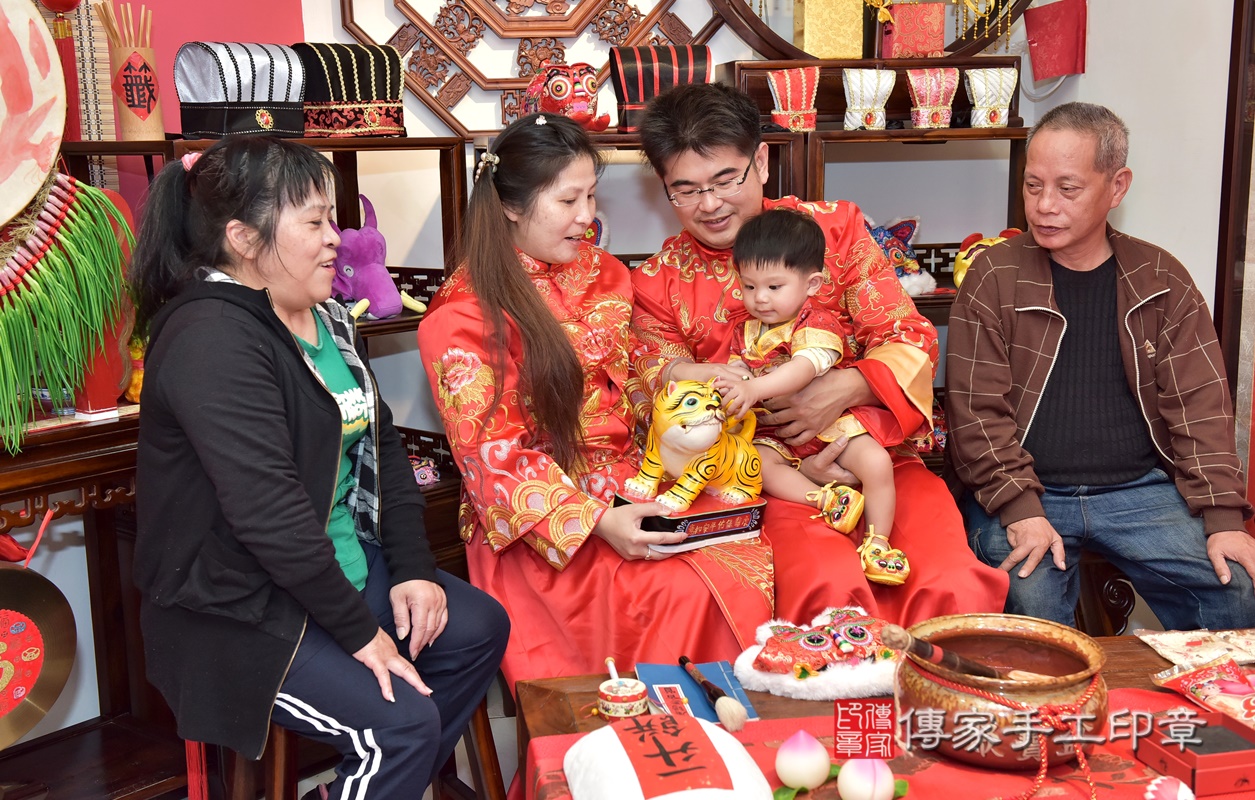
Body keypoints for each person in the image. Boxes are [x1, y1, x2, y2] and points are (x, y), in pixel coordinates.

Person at [129, 136, 509, 798]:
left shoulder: (326, 317)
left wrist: (413, 570)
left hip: (334, 567)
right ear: (244, 239)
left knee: (478, 629)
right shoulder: (209, 338)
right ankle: (388, 771)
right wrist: (363, 636)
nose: (336, 238)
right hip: (241, 606)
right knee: (402, 727)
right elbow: (268, 515)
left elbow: (384, 448)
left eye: (333, 218)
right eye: (314, 222)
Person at [416, 113, 774, 688]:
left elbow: (632, 379)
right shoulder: (463, 314)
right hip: (545, 521)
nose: (587, 216)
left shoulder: (604, 273)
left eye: (591, 195)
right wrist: (600, 521)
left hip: (632, 478)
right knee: (678, 588)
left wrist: (692, 391)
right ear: (510, 206)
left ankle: (731, 726)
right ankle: (657, 727)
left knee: (751, 551)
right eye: (568, 200)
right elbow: (492, 458)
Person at [632, 82, 1007, 626]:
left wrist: (846, 388)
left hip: (872, 450)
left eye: (726, 180)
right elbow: (654, 384)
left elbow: (910, 336)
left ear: (761, 161)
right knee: (828, 590)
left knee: (948, 582)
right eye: (685, 190)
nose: (709, 204)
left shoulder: (835, 229)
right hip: (761, 477)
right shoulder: (656, 282)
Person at [946, 101, 1255, 630]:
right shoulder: (994, 276)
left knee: (1238, 592)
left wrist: (1224, 518)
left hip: (1139, 491)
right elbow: (975, 413)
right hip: (1027, 490)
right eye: (1033, 186)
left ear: (1117, 187)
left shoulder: (1161, 278)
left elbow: (1201, 408)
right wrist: (1020, 509)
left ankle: (1181, 690)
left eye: (1067, 189)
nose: (1045, 206)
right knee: (1033, 608)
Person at [716, 208, 906, 583]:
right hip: (777, 433)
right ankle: (825, 500)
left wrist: (753, 388)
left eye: (774, 287)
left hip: (830, 424)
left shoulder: (815, 321)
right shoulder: (745, 328)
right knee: (757, 465)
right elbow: (739, 365)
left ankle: (878, 542)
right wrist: (734, 379)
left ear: (812, 284)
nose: (760, 299)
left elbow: (803, 368)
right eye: (749, 287)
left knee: (876, 463)